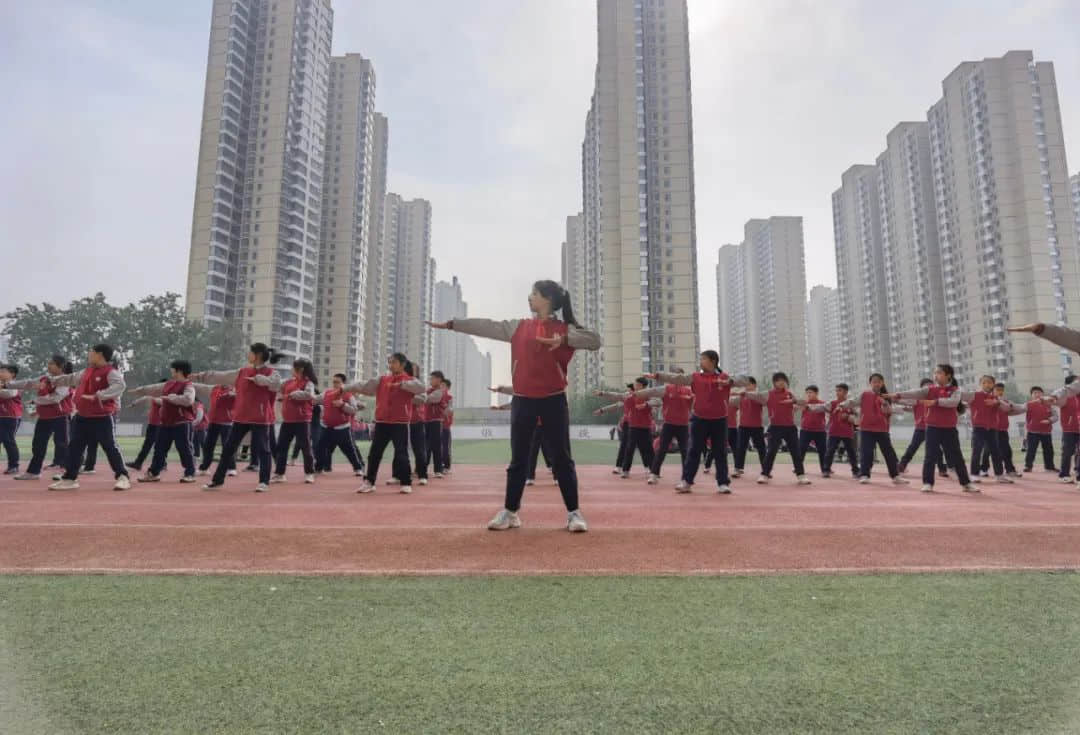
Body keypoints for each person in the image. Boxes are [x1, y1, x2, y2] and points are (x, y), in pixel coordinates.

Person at [428, 279, 601, 531]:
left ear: (547, 299)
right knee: (518, 459)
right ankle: (510, 512)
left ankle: (574, 513)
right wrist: (454, 324)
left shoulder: (564, 329)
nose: (529, 297)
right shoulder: (518, 327)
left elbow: (595, 340)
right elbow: (487, 326)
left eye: (534, 293)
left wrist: (562, 339)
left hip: (553, 400)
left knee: (562, 458)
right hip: (523, 401)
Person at [648, 350, 743, 494]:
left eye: (703, 359)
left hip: (719, 420)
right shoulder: (695, 377)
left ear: (712, 361)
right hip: (699, 419)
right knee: (693, 451)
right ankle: (686, 481)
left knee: (720, 452)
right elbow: (678, 378)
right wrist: (658, 375)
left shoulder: (723, 377)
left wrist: (729, 381)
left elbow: (745, 380)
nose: (700, 361)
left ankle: (723, 483)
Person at [191, 343, 283, 492]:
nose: (248, 355)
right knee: (228, 449)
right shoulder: (242, 371)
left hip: (260, 418)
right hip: (240, 418)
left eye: (250, 352)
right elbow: (220, 375)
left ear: (257, 355)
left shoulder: (272, 372)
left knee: (263, 450)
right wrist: (200, 376)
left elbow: (277, 385)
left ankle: (264, 482)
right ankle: (217, 481)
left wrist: (261, 380)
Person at [45, 343, 131, 491]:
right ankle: (70, 479)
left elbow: (120, 386)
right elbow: (70, 379)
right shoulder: (87, 371)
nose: (88, 354)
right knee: (75, 447)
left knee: (110, 446)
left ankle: (123, 477)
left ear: (100, 355)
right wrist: (52, 381)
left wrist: (98, 396)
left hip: (101, 417)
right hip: (82, 416)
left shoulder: (110, 372)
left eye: (91, 352)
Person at [347, 353, 426, 494]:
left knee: (402, 453)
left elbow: (421, 388)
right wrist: (346, 388)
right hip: (382, 422)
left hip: (400, 423)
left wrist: (402, 385)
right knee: (374, 454)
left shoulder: (409, 380)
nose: (391, 365)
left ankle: (406, 483)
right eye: (389, 362)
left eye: (394, 362)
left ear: (402, 364)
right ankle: (369, 482)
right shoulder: (382, 379)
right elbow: (365, 386)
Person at [893, 364, 977, 493]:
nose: (935, 375)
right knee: (930, 456)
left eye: (939, 373)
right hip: (932, 428)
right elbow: (914, 392)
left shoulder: (955, 390)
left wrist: (936, 402)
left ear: (948, 375)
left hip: (949, 429)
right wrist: (898, 395)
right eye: (935, 373)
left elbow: (953, 402)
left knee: (957, 457)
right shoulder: (929, 390)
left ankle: (966, 483)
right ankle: (928, 483)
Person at [128, 361, 199, 483]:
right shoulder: (169, 384)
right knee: (159, 449)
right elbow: (154, 388)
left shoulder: (188, 386)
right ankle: (154, 473)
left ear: (179, 371)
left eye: (172, 369)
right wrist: (140, 390)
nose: (171, 371)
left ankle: (190, 473)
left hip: (181, 423)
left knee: (184, 449)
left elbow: (188, 400)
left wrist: (171, 398)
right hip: (165, 423)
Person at [5, 355, 74, 480]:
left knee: (62, 444)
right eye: (48, 363)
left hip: (60, 417)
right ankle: (33, 471)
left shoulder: (66, 380)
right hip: (44, 418)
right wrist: (7, 385)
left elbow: (55, 398)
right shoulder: (44, 378)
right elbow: (28, 383)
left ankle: (66, 471)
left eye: (52, 363)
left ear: (61, 366)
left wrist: (35, 401)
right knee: (38, 444)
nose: (48, 366)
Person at [744, 372, 811, 486]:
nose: (781, 382)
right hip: (775, 427)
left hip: (790, 428)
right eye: (778, 380)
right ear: (774, 382)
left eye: (783, 380)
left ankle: (801, 475)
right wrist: (743, 392)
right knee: (771, 452)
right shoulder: (768, 394)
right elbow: (755, 395)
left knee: (796, 452)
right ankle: (764, 474)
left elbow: (804, 402)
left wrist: (793, 401)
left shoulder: (790, 394)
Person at [633, 369, 692, 485]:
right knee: (661, 450)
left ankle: (686, 477)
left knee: (685, 451)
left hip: (683, 425)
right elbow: (653, 391)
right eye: (674, 375)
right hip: (669, 424)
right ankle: (654, 474)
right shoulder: (666, 389)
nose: (676, 377)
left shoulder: (688, 391)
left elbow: (695, 404)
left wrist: (692, 400)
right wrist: (638, 393)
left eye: (679, 375)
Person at [595, 378, 658, 479]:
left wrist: (647, 405)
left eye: (636, 384)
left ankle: (653, 470)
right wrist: (603, 393)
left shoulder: (648, 396)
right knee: (629, 448)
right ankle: (625, 470)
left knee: (648, 449)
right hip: (632, 426)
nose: (634, 386)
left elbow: (657, 402)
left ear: (642, 386)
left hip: (646, 427)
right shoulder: (629, 397)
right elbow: (616, 396)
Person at [854, 373, 907, 486]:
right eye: (874, 381)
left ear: (882, 383)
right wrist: (842, 405)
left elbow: (890, 411)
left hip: (881, 429)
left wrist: (887, 406)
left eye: (878, 381)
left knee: (889, 453)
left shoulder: (886, 397)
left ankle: (895, 476)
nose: (876, 383)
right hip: (867, 429)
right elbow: (853, 401)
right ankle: (864, 475)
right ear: (870, 383)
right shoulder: (865, 395)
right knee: (866, 453)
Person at [271, 359, 318, 484]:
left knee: (305, 447)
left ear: (300, 369)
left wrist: (292, 395)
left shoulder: (308, 383)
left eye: (293, 367)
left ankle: (309, 473)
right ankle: (280, 474)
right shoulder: (288, 382)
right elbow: (277, 389)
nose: (291, 369)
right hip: (287, 420)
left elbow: (308, 395)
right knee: (281, 447)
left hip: (302, 420)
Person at [961, 375, 1014, 485]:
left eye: (989, 382)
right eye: (984, 382)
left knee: (996, 452)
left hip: (992, 429)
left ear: (993, 384)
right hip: (979, 428)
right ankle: (974, 474)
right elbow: (959, 395)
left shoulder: (996, 398)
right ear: (980, 384)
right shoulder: (974, 395)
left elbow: (1008, 408)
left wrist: (997, 402)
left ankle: (999, 475)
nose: (987, 384)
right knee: (977, 451)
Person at [314, 373, 366, 477]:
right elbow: (314, 399)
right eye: (334, 382)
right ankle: (318, 469)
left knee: (349, 450)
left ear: (343, 383)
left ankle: (358, 468)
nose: (335, 384)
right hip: (326, 427)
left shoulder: (348, 395)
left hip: (342, 429)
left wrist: (342, 404)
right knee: (320, 448)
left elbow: (354, 410)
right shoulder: (327, 393)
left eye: (337, 382)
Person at [896, 379, 949, 477]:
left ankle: (942, 469)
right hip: (920, 428)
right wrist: (895, 399)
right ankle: (902, 465)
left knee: (937, 450)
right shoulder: (917, 400)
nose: (928, 389)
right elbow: (906, 402)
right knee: (913, 447)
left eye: (930, 386)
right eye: (925, 387)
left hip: (933, 428)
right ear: (921, 389)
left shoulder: (935, 400)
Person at [195, 382, 237, 476]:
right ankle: (204, 468)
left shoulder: (233, 390)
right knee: (208, 446)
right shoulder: (215, 388)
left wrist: (233, 394)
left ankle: (231, 468)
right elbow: (204, 387)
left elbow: (240, 397)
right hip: (213, 421)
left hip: (227, 422)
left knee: (227, 446)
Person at [125, 380, 167, 472]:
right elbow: (144, 398)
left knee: (152, 445)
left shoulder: (165, 398)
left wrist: (154, 398)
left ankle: (140, 463)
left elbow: (163, 403)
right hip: (153, 424)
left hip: (158, 425)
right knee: (153, 445)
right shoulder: (156, 396)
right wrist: (134, 404)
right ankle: (161, 463)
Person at [821, 383, 859, 478]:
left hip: (847, 432)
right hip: (834, 431)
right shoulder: (832, 403)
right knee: (830, 451)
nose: (837, 392)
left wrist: (848, 417)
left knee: (851, 453)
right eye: (836, 390)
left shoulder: (851, 404)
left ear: (846, 392)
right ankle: (826, 470)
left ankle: (855, 471)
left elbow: (857, 418)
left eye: (840, 390)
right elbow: (822, 408)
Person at [733, 377, 766, 478]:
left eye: (748, 385)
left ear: (754, 385)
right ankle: (738, 469)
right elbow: (731, 401)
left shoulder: (759, 396)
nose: (746, 387)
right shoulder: (741, 397)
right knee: (740, 448)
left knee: (761, 448)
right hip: (743, 426)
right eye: (744, 385)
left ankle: (766, 469)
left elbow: (764, 401)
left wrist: (744, 394)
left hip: (757, 426)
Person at [403, 362, 429, 486]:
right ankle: (399, 474)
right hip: (401, 421)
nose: (410, 370)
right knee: (400, 449)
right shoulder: (401, 381)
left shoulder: (419, 385)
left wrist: (407, 397)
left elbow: (422, 399)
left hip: (416, 421)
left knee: (419, 450)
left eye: (414, 369)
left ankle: (422, 474)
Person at [1050, 376, 1079, 483]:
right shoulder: (1065, 397)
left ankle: (1078, 472)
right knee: (1067, 452)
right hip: (1069, 429)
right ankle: (1064, 474)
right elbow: (1055, 398)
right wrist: (1052, 398)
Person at [1023, 386, 1057, 472]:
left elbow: (1055, 416)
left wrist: (1049, 420)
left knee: (1049, 450)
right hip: (1032, 431)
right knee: (1031, 450)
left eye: (1039, 392)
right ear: (1031, 395)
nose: (1037, 394)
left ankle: (1049, 467)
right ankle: (1028, 466)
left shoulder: (1049, 404)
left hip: (1046, 432)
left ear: (1042, 394)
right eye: (1035, 393)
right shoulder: (1029, 405)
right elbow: (1019, 410)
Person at [424, 371, 451, 477]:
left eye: (432, 378)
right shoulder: (429, 390)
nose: (430, 380)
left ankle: (438, 470)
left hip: (435, 421)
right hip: (426, 420)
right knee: (426, 446)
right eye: (430, 378)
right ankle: (422, 468)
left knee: (435, 446)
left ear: (439, 379)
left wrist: (421, 398)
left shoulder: (440, 391)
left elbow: (431, 399)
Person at [797, 385, 828, 476]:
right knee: (801, 450)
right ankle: (798, 468)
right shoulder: (804, 403)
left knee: (822, 451)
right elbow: (795, 408)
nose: (808, 394)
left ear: (816, 393)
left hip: (820, 431)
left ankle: (824, 470)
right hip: (805, 430)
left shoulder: (823, 403)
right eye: (807, 393)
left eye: (810, 392)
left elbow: (829, 413)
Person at [0, 364, 23, 474]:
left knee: (8, 441)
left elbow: (9, 394)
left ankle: (14, 466)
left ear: (12, 374)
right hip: (1, 416)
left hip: (11, 417)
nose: (0, 373)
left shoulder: (15, 385)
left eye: (3, 371)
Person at [441, 380, 454, 473]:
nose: (441, 387)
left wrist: (445, 409)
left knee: (446, 447)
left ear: (448, 388)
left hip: (445, 426)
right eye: (440, 385)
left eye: (444, 386)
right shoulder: (435, 395)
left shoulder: (449, 398)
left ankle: (447, 466)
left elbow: (450, 410)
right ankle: (439, 465)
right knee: (437, 447)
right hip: (436, 426)